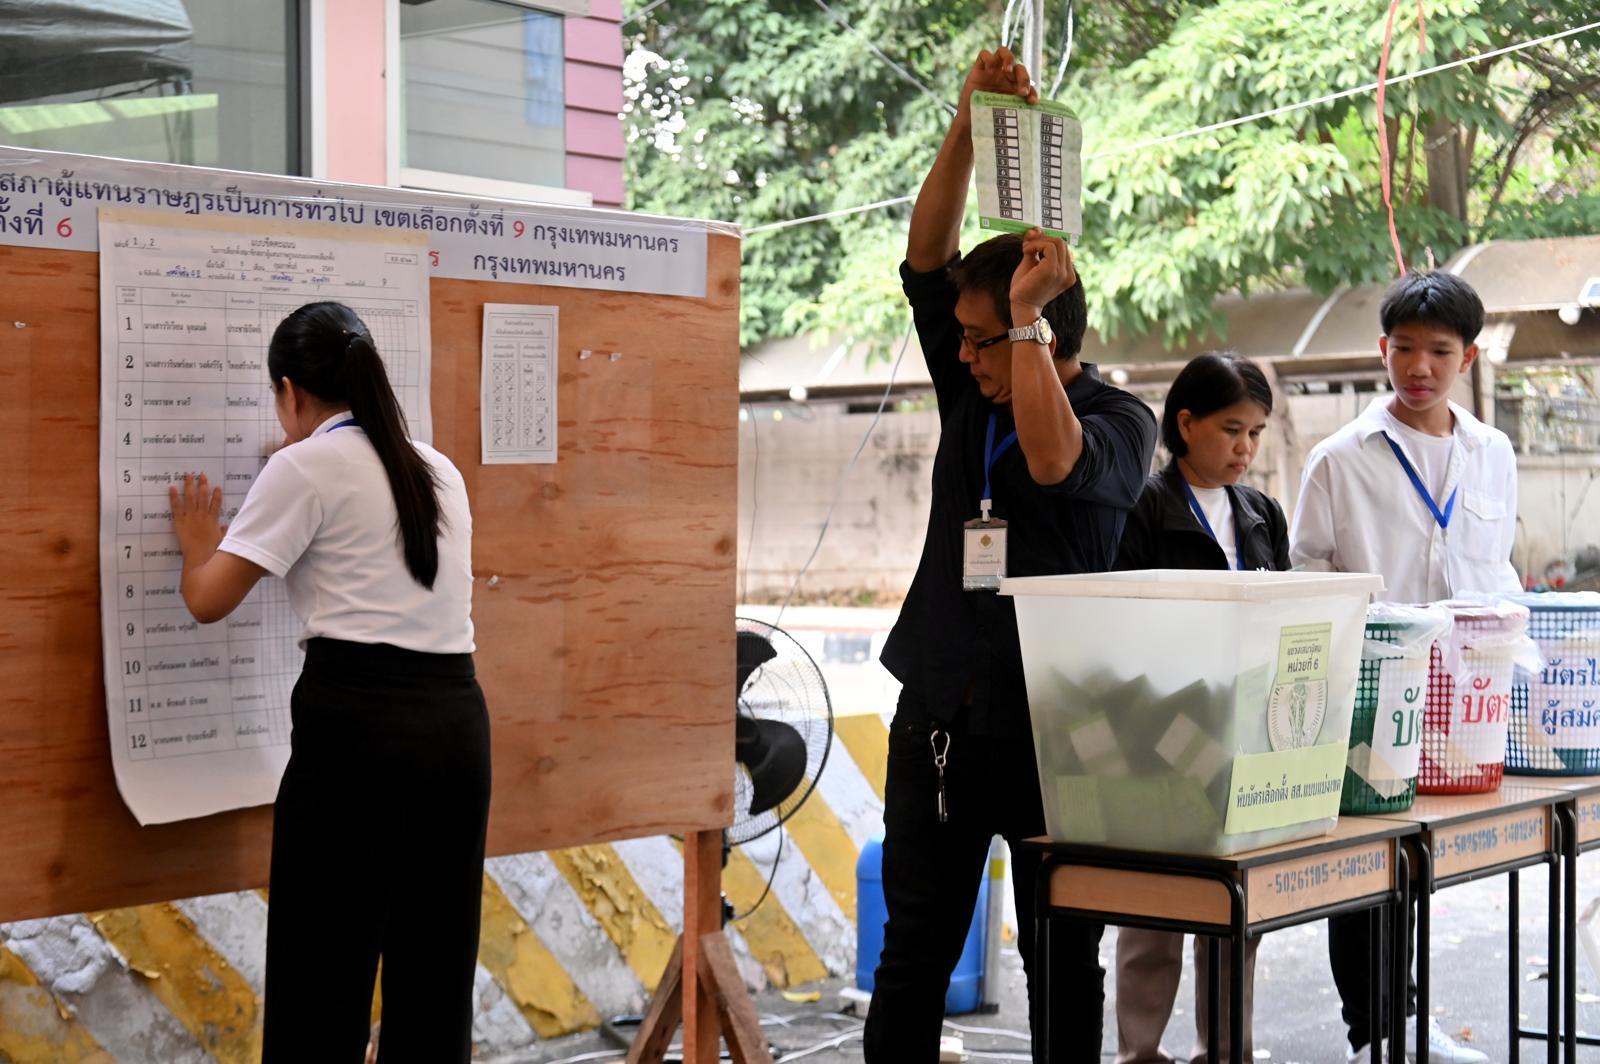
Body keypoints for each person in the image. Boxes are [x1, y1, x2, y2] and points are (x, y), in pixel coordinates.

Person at [865, 45, 1158, 1062]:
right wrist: (965, 118)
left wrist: (1021, 329)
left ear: (1038, 333)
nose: (959, 354)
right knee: (913, 957)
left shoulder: (1120, 418)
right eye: (964, 338)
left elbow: (1049, 456)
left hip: (1062, 738)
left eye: (980, 339)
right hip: (941, 721)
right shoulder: (973, 379)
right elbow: (926, 247)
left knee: (1061, 958)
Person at [168, 301, 488, 1064]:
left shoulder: (304, 463)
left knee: (324, 974)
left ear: (290, 392)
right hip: (457, 726)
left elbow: (209, 600)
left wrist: (194, 547)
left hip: (359, 730)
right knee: (435, 974)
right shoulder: (435, 466)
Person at [1291, 270, 1516, 1064]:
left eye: (1440, 351)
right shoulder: (1339, 458)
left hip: (1465, 699)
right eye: (1406, 348)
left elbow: (1499, 568)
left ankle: (1409, 1026)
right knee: (1365, 870)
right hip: (1370, 689)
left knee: (1421, 866)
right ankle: (1376, 1035)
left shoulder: (1492, 453)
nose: (1420, 366)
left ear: (1468, 356)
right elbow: (1307, 573)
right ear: (1383, 349)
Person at [1112, 353, 1287, 1064]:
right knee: (1155, 911)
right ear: (1184, 424)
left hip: (1245, 729)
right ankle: (1139, 1055)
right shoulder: (1144, 506)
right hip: (1161, 728)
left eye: (1256, 433)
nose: (1245, 448)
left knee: (1235, 910)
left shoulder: (1261, 511)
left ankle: (1226, 1052)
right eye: (1231, 430)